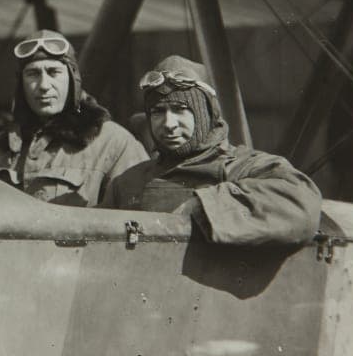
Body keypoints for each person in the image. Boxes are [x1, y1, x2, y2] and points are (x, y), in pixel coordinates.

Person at [105, 55, 323, 245]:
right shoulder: (127, 183)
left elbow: (303, 205)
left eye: (180, 110)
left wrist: (204, 208)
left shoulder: (246, 168)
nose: (169, 123)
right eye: (158, 112)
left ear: (206, 114)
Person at [0, 30, 148, 206]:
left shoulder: (114, 143)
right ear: (20, 83)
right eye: (33, 74)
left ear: (73, 79)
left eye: (54, 72)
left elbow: (140, 214)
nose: (43, 85)